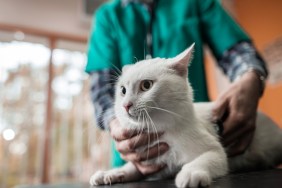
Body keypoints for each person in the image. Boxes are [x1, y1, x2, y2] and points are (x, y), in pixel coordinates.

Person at [86, 0, 268, 175]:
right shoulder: (108, 16)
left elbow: (237, 51)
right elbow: (102, 90)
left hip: (194, 139)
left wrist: (251, 76)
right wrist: (115, 124)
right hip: (135, 153)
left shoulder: (196, 2)